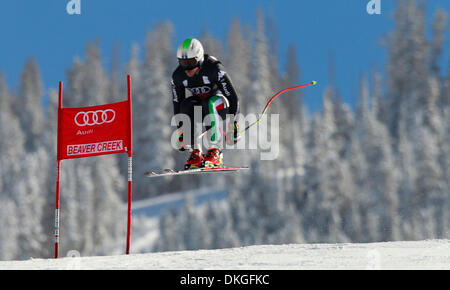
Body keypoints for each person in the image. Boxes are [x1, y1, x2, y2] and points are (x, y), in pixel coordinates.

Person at [171, 38, 240, 169]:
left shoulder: (214, 68)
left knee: (210, 102)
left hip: (220, 104)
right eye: (182, 63)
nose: (187, 68)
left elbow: (233, 97)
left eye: (191, 62)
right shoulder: (178, 76)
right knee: (187, 104)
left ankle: (216, 151)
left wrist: (233, 123)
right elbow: (177, 102)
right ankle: (196, 153)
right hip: (202, 107)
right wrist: (181, 130)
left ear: (200, 58)